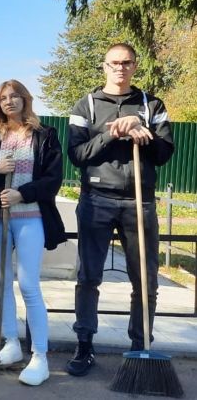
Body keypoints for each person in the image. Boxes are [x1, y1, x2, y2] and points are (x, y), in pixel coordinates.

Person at [66, 43, 174, 377]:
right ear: (104, 66)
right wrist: (115, 133)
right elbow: (78, 155)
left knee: (146, 280)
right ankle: (84, 345)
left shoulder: (151, 105)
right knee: (89, 276)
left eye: (126, 62)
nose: (120, 68)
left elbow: (165, 152)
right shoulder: (86, 105)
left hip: (139, 201)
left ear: (135, 66)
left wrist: (145, 135)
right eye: (114, 63)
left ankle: (140, 345)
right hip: (96, 198)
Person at [0, 80, 65, 386]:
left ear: (26, 99)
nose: (9, 102)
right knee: (1, 283)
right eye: (3, 98)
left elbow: (53, 179)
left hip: (31, 217)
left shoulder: (45, 135)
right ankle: (10, 341)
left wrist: (20, 194)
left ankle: (40, 355)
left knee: (28, 284)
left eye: (14, 96)